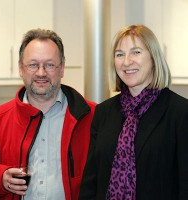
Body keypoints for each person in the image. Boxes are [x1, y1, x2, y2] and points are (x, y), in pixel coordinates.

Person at [0, 28, 96, 200]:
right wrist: (0, 176)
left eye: (50, 65)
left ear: (62, 69)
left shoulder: (94, 118)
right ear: (21, 69)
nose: (41, 72)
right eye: (33, 64)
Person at [79, 24, 188, 200]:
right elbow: (91, 182)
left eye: (136, 52)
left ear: (153, 57)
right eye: (119, 54)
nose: (127, 62)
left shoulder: (180, 112)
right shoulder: (103, 112)